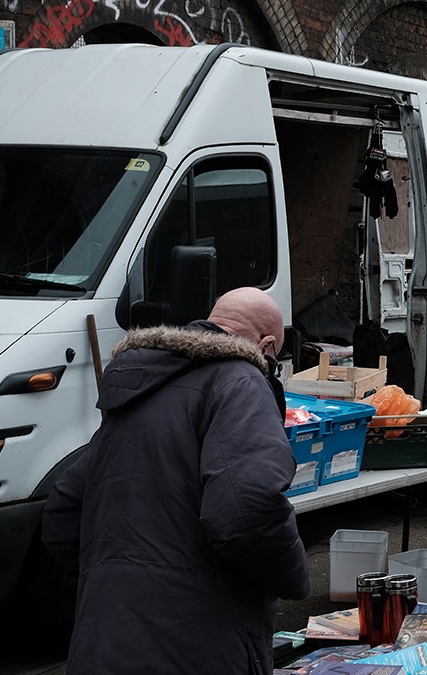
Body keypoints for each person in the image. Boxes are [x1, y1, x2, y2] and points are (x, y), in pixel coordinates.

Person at [43, 288, 311, 675]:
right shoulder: (241, 380)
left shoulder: (138, 387)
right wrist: (294, 577)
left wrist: (117, 567)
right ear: (266, 344)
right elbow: (247, 509)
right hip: (196, 645)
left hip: (103, 641)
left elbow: (63, 513)